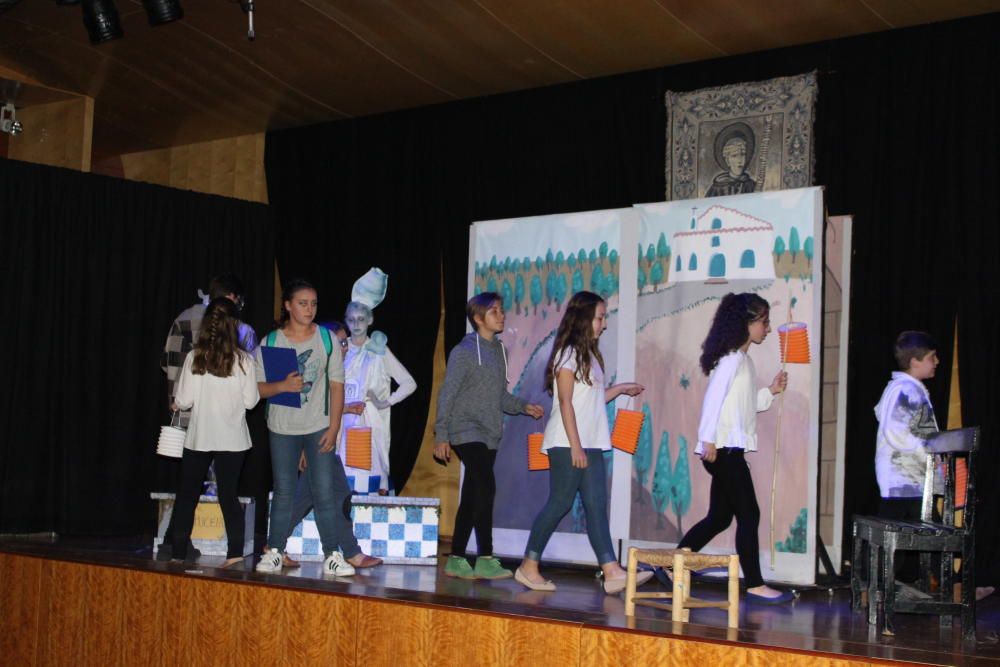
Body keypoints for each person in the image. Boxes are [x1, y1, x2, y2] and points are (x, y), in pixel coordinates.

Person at [515, 291, 649, 594]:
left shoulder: (589, 356)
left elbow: (589, 400)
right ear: (584, 318)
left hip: (590, 441)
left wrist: (620, 389)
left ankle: (612, 571)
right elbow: (565, 403)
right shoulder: (567, 354)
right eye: (600, 317)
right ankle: (528, 566)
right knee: (560, 502)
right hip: (567, 442)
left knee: (596, 505)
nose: (603, 323)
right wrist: (575, 446)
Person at [670, 292, 790, 604]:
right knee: (749, 513)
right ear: (746, 323)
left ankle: (674, 566)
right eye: (763, 322)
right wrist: (706, 440)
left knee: (720, 517)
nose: (768, 327)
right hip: (722, 450)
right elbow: (713, 401)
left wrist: (771, 391)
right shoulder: (732, 359)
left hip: (727, 450)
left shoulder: (743, 361)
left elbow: (746, 405)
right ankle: (754, 583)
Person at [254, 279, 363, 577]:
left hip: (318, 425)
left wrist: (334, 427)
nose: (309, 309)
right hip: (282, 425)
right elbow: (256, 389)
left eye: (313, 303)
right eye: (302, 303)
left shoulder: (326, 339)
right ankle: (274, 550)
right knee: (285, 490)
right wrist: (282, 386)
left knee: (324, 490)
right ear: (288, 305)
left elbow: (337, 386)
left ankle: (332, 555)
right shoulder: (272, 341)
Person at [434, 293, 544, 579]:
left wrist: (522, 407)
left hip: (489, 432)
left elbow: (499, 397)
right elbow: (447, 393)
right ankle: (485, 556)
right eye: (494, 311)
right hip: (464, 428)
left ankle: (456, 557)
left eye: (502, 310)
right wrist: (441, 434)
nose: (502, 315)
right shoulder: (464, 351)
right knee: (486, 485)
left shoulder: (499, 352)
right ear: (478, 318)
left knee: (473, 494)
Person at [158, 273, 257, 560]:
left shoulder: (194, 358)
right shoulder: (245, 361)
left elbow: (184, 400)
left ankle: (178, 553)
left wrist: (178, 404)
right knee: (229, 498)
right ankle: (234, 555)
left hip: (199, 438)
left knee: (187, 496)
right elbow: (251, 402)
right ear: (234, 325)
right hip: (234, 441)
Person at [279, 321, 382, 570]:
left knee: (306, 497)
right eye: (340, 342)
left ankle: (275, 545)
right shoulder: (317, 369)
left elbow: (326, 407)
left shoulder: (335, 369)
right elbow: (305, 409)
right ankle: (350, 552)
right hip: (317, 442)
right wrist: (304, 448)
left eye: (346, 342)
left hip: (325, 442)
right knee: (337, 495)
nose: (345, 347)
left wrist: (346, 407)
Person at [338, 268, 416, 494]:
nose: (356, 324)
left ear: (370, 319)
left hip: (370, 424)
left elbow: (408, 382)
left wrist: (385, 402)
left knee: (368, 477)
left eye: (361, 318)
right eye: (351, 319)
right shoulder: (341, 351)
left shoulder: (379, 350)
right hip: (343, 422)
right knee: (343, 478)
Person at [705, 123, 757, 197]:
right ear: (727, 160)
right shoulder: (717, 188)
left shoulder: (751, 186)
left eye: (742, 154)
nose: (740, 160)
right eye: (734, 156)